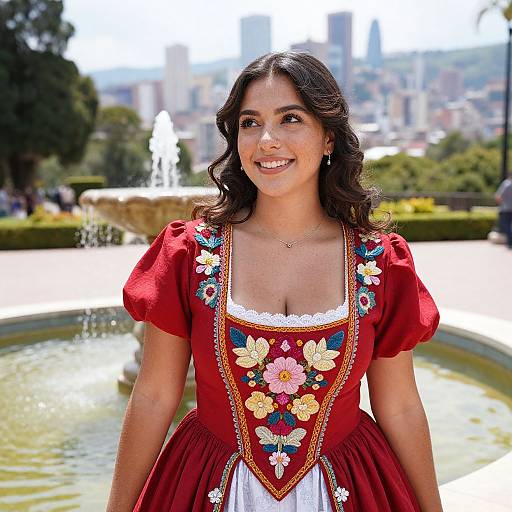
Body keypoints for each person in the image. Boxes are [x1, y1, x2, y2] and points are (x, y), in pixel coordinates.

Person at [108, 52, 442, 512]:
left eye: (290, 119)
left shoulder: (380, 264)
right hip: (208, 486)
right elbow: (153, 396)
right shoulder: (190, 255)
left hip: (347, 486)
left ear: (328, 138)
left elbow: (400, 406)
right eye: (250, 122)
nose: (267, 140)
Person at [495, 171, 512, 248]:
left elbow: (498, 196)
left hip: (505, 209)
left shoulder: (506, 184)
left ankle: (510, 242)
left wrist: (500, 204)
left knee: (506, 226)